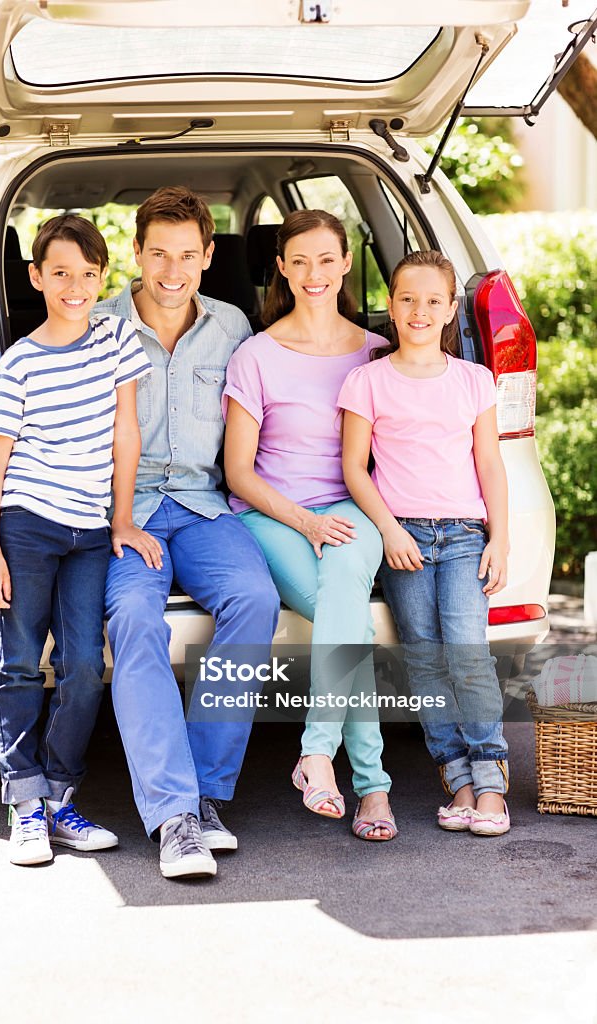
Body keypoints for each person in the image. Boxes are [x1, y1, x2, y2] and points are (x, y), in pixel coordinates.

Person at [94, 186, 280, 879]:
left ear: (207, 256)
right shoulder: (99, 323)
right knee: (136, 618)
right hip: (125, 511)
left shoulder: (233, 328)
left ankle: (204, 795)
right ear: (136, 254)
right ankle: (172, 816)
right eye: (157, 254)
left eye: (187, 255)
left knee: (254, 601)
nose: (172, 271)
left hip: (204, 507)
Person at [0, 214, 152, 865]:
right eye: (59, 274)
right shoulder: (19, 363)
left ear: (102, 276)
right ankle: (24, 806)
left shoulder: (117, 340)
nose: (74, 287)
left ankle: (57, 797)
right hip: (25, 523)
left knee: (84, 664)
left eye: (86, 274)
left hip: (88, 531)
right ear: (36, 277)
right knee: (18, 660)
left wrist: (124, 518)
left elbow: (124, 434)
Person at [223, 209, 396, 842]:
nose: (313, 273)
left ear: (347, 263)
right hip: (272, 513)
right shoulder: (255, 355)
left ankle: (318, 753)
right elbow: (239, 472)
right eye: (299, 261)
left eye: (326, 259)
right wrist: (303, 521)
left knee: (340, 597)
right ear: (281, 267)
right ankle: (373, 789)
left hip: (355, 504)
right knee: (339, 611)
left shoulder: (378, 352)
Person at [340, 249, 511, 837]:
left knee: (467, 655)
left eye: (433, 301)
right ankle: (455, 777)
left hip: (464, 536)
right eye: (408, 299)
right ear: (391, 305)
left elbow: (490, 462)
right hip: (404, 537)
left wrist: (501, 538)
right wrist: (387, 529)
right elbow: (355, 468)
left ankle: (490, 780)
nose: (419, 311)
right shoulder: (367, 380)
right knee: (424, 659)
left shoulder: (473, 380)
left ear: (450, 308)